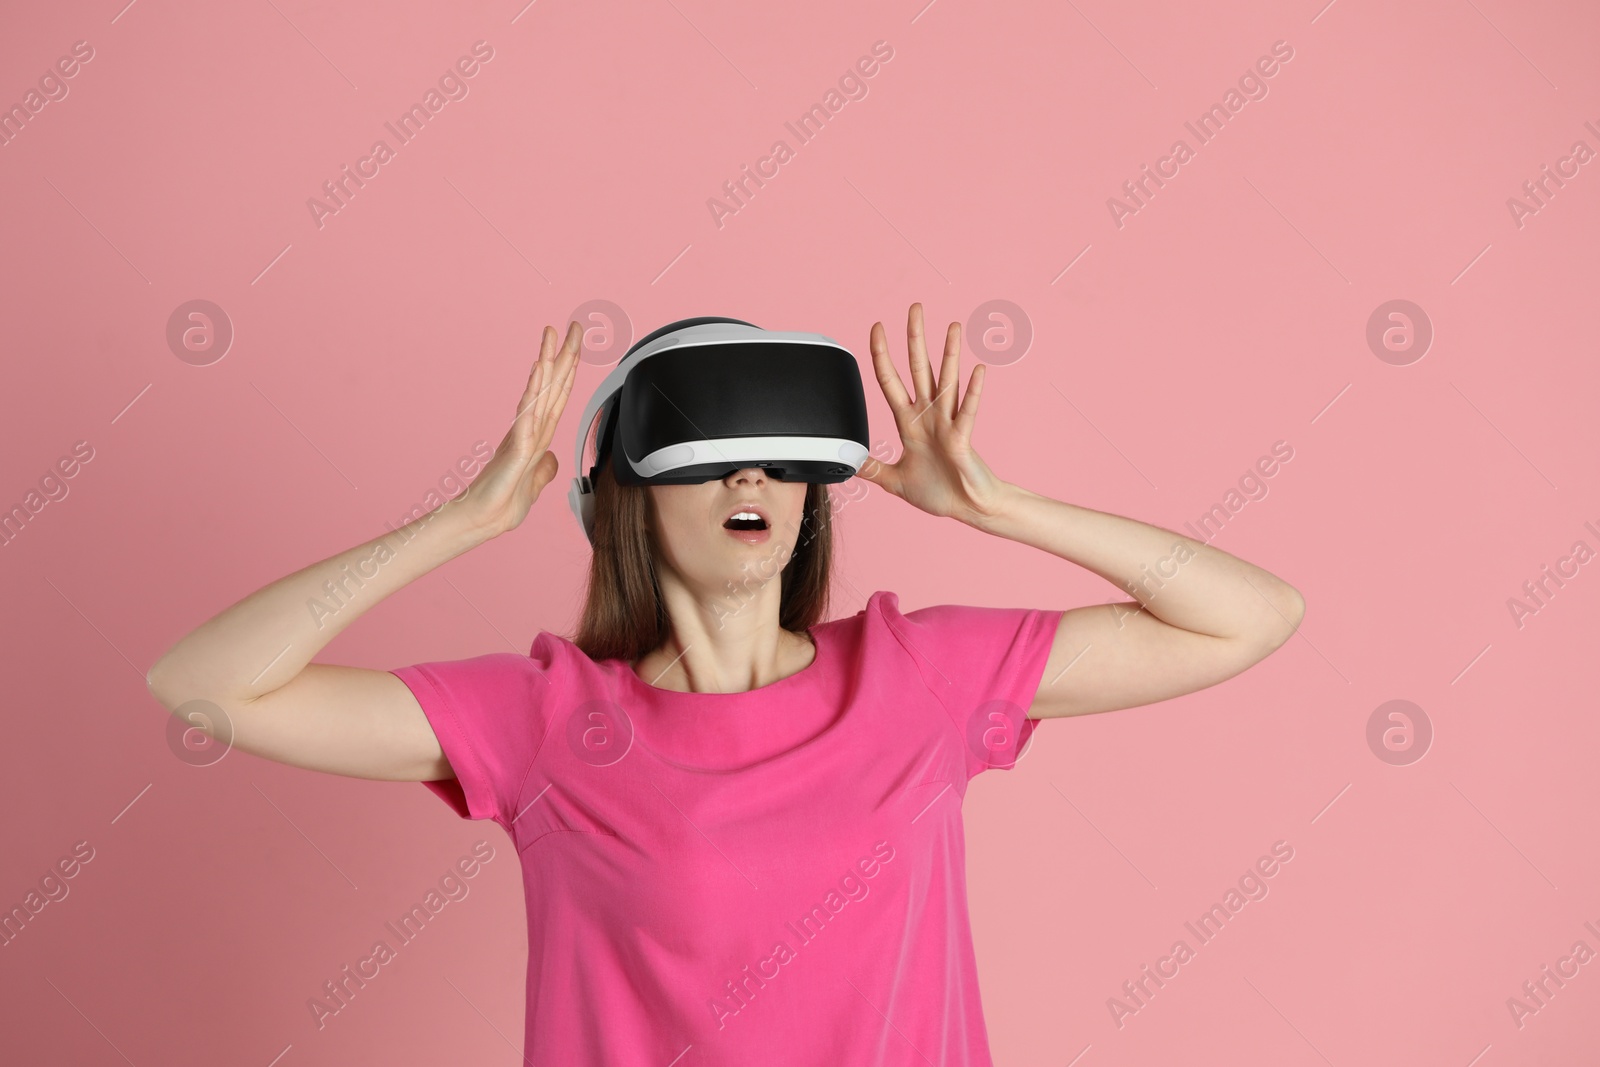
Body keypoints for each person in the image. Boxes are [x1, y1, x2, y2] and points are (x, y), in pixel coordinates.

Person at [146, 302, 1305, 1064]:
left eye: (781, 454)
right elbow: (206, 687)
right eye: (707, 450)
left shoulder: (921, 675)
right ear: (627, 500)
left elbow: (1250, 617)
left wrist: (998, 508)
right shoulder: (547, 722)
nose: (751, 473)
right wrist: (457, 524)